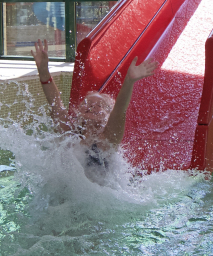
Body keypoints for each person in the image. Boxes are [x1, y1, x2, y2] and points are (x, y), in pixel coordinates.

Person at [31, 39, 156, 182]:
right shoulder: (69, 135)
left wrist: (129, 81)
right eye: (87, 103)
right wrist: (44, 73)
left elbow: (120, 109)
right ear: (78, 111)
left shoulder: (108, 139)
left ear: (108, 116)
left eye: (100, 105)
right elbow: (56, 105)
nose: (92, 106)